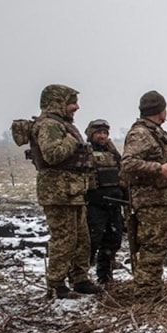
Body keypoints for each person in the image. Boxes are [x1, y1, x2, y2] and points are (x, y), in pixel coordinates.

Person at [29, 84, 100, 299]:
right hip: (57, 193)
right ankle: (56, 284)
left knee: (82, 239)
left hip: (73, 192)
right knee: (64, 240)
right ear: (58, 103)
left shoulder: (63, 124)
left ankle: (80, 279)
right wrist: (70, 140)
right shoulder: (49, 125)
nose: (76, 107)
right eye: (72, 103)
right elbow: (52, 154)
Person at [119, 90, 167, 302]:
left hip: (159, 201)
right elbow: (127, 164)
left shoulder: (155, 132)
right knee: (152, 249)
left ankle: (152, 291)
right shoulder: (141, 134)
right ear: (160, 110)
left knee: (157, 248)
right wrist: (159, 169)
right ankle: (145, 295)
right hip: (150, 202)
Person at [85, 119, 126, 284]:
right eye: (98, 133)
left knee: (113, 240)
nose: (102, 136)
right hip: (95, 205)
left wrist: (124, 195)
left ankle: (105, 276)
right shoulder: (85, 152)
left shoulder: (113, 152)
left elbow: (122, 173)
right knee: (91, 242)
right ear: (91, 135)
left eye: (105, 133)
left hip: (114, 204)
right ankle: (80, 277)